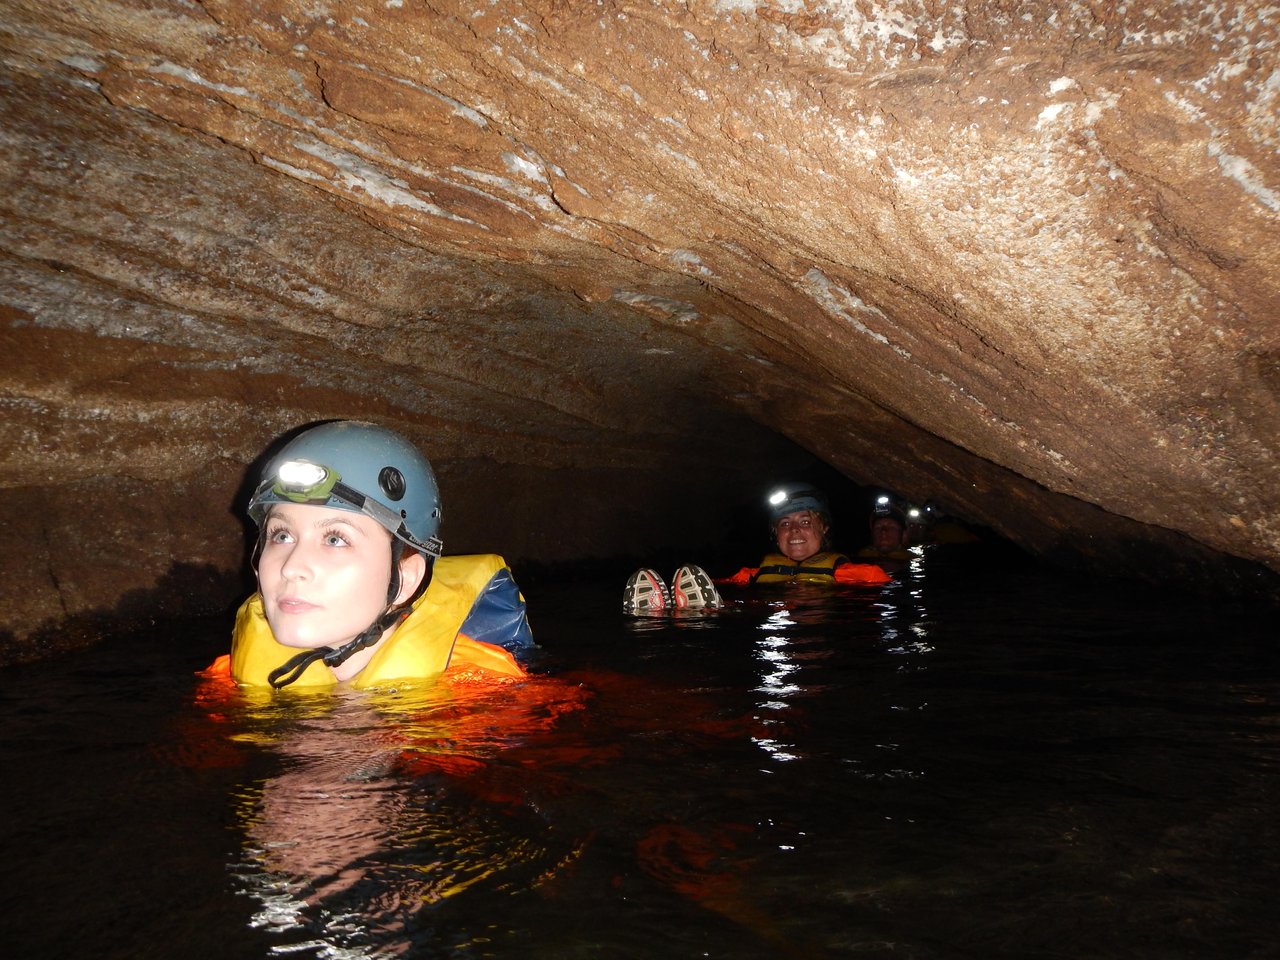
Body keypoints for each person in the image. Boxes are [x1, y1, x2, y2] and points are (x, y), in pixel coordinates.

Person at [204, 420, 533, 689]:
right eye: (282, 535)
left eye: (335, 539)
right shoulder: (226, 683)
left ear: (404, 578)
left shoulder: (488, 695)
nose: (292, 568)